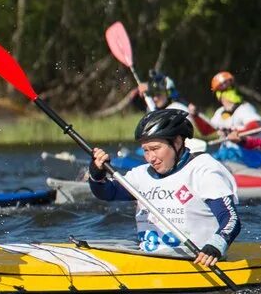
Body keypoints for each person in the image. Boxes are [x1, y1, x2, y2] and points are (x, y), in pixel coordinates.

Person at [88, 108, 240, 266]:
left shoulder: (204, 171)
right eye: (146, 151)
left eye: (155, 149)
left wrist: (216, 245)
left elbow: (231, 219)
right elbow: (106, 192)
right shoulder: (141, 175)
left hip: (198, 262)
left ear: (177, 142)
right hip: (150, 260)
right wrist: (96, 174)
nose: (150, 158)